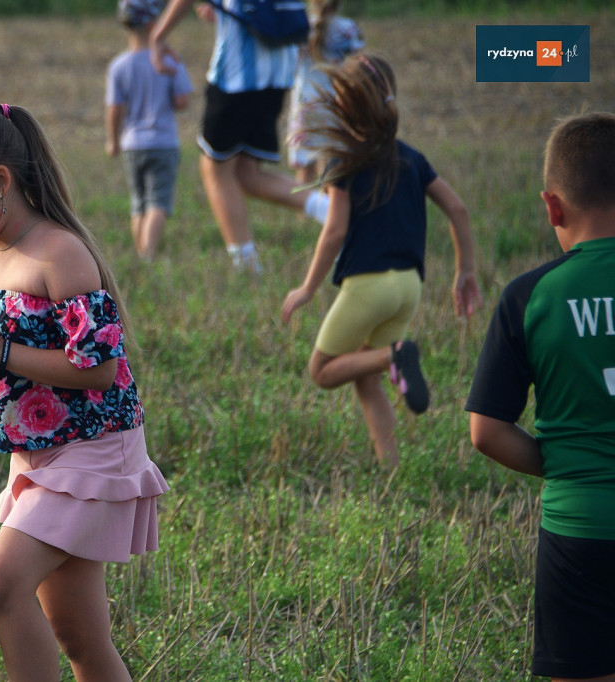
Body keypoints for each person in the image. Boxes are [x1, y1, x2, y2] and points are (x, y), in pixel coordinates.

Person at [0, 98, 169, 681]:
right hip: (34, 454)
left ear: (0, 179)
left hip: (94, 447)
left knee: (2, 583)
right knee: (79, 635)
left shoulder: (61, 254)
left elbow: (99, 369)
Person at [466, 112, 615, 681]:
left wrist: (564, 468)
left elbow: (486, 431)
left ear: (553, 208)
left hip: (577, 531)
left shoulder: (530, 296)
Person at [280, 54, 480, 469]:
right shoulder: (411, 157)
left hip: (368, 286)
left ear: (346, 107)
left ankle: (396, 355)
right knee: (365, 376)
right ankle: (391, 468)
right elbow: (458, 210)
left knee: (322, 370)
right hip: (409, 286)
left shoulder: (344, 163)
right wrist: (465, 272)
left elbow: (334, 231)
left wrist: (307, 288)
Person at [149, 0, 329, 274]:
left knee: (215, 169)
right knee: (247, 174)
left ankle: (245, 265)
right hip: (278, 72)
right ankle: (332, 211)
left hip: (237, 76)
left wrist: (158, 36)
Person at [105, 0, 193, 261]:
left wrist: (113, 141)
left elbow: (114, 109)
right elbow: (182, 100)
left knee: (139, 204)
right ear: (156, 23)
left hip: (132, 144)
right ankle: (147, 255)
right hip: (163, 142)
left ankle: (141, 252)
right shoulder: (167, 59)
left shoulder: (118, 66)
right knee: (158, 203)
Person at [285, 0, 364, 186]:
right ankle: (329, 209)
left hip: (306, 103)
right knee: (331, 165)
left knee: (305, 167)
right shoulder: (348, 28)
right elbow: (360, 67)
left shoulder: (302, 27)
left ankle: (306, 211)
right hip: (337, 101)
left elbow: (291, 65)